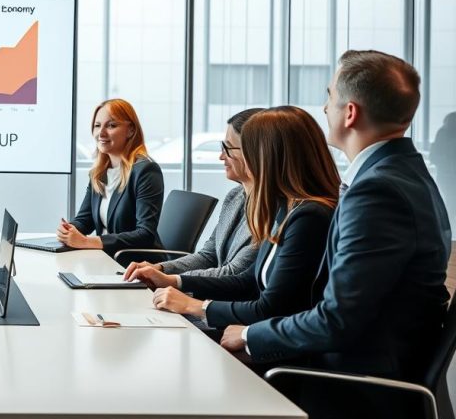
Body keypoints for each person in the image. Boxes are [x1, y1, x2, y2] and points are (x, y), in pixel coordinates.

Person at [221, 51, 450, 416]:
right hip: (355, 368)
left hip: (352, 386)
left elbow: (337, 320)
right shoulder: (404, 172)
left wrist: (249, 335)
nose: (324, 107)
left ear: (350, 113)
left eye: (329, 96)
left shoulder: (377, 191)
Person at [128, 106, 337, 332]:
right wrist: (174, 281)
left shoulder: (308, 216)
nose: (227, 156)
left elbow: (272, 307)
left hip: (265, 339)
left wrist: (196, 306)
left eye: (242, 150)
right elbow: (247, 280)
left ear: (268, 156)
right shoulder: (287, 210)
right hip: (250, 325)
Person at [124, 108, 263, 281]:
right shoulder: (235, 197)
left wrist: (174, 280)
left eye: (228, 148)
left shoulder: (273, 210)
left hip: (226, 300)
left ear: (254, 152)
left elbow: (233, 273)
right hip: (211, 293)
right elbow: (208, 256)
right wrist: (159, 268)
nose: (221, 156)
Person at [56, 98, 164, 257]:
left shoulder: (146, 171)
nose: (101, 133)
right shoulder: (99, 172)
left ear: (131, 130)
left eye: (112, 125)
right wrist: (69, 230)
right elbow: (85, 220)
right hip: (104, 258)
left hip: (135, 266)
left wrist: (87, 242)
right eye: (97, 126)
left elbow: (145, 234)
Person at [431, 111, 456, 228]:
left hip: (445, 176)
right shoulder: (444, 134)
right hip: (448, 176)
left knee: (450, 204)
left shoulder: (442, 133)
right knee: (451, 204)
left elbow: (434, 156)